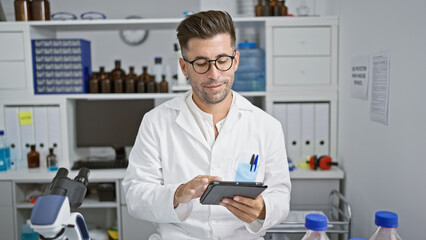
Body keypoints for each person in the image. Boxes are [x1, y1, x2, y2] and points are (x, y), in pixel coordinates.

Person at [122, 10, 291, 240]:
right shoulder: (156, 122)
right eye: (201, 63)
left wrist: (263, 209)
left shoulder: (266, 126)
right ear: (184, 68)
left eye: (222, 61)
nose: (214, 74)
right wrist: (178, 194)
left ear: (236, 61)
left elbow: (281, 195)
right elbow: (135, 195)